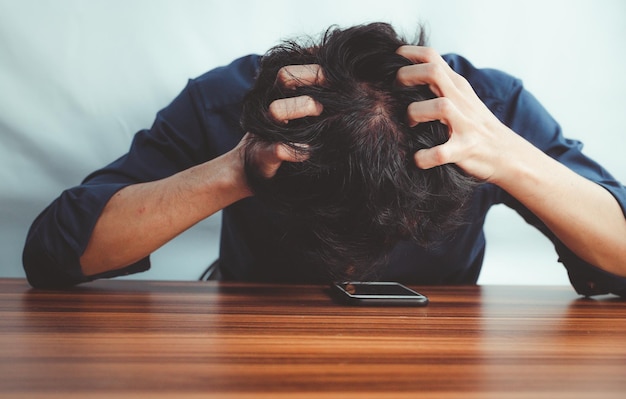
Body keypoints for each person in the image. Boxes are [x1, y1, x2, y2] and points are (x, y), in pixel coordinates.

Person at [23, 22, 626, 297]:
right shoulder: (231, 103)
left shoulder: (484, 112)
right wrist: (234, 169)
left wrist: (511, 156)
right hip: (255, 358)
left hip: (438, 362)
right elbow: (53, 253)